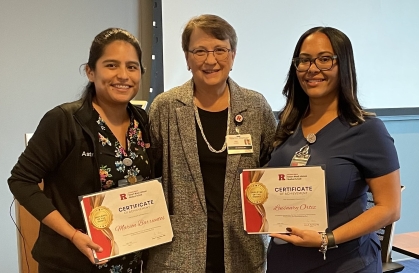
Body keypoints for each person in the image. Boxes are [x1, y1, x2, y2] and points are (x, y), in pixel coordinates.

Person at [8, 28, 152, 273]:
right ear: (90, 71)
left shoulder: (142, 121)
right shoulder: (64, 120)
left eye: (131, 66)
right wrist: (73, 235)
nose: (122, 75)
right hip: (71, 263)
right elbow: (21, 181)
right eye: (111, 65)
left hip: (129, 263)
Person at [146, 14, 277, 273]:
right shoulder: (166, 107)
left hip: (242, 248)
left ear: (233, 55)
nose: (210, 60)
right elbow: (150, 175)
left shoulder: (256, 106)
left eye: (220, 49)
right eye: (200, 51)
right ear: (186, 58)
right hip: (178, 252)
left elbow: (273, 167)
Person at [267, 26, 401, 273]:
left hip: (345, 263)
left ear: (344, 65)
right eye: (304, 60)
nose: (312, 68)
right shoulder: (286, 125)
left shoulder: (367, 130)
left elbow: (389, 208)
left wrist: (327, 239)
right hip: (284, 262)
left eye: (325, 59)